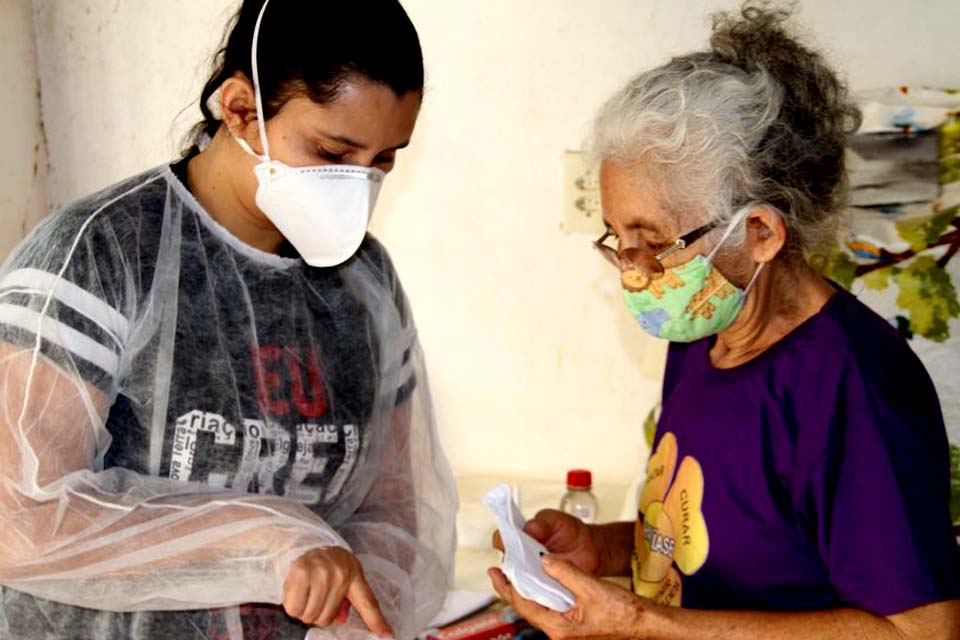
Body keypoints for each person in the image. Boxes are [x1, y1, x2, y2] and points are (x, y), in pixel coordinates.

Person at [490, 4, 960, 639]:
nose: (633, 270)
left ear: (760, 232)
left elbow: (920, 631)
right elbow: (731, 543)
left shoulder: (855, 389)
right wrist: (599, 549)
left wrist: (637, 622)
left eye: (653, 242)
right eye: (618, 239)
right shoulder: (703, 333)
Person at [0, 1, 457, 638]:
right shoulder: (103, 255)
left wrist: (360, 611)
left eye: (384, 160)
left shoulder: (365, 283)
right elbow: (18, 519)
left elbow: (397, 513)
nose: (357, 185)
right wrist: (270, 539)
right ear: (241, 109)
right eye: (332, 151)